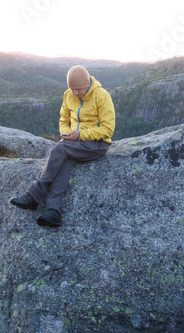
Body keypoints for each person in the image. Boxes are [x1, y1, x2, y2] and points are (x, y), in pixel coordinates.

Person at [10, 65, 115, 227]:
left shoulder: (102, 96)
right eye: (72, 89)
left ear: (87, 84)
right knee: (64, 163)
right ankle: (53, 211)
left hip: (97, 144)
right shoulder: (68, 95)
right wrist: (67, 134)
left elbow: (108, 129)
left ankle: (35, 193)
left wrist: (80, 135)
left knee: (60, 149)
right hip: (75, 143)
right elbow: (63, 121)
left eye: (78, 89)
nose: (75, 93)